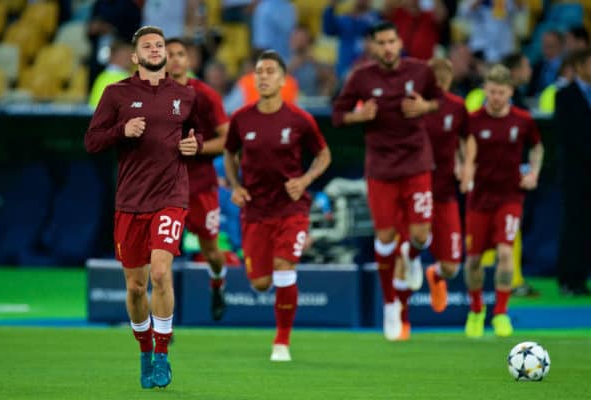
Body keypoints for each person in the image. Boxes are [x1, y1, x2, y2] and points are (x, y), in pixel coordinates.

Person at [85, 26, 202, 389]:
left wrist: (192, 147)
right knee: (136, 288)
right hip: (131, 201)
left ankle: (163, 353)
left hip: (170, 197)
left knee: (162, 273)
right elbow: (91, 142)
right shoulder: (116, 93)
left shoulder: (186, 95)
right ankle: (144, 351)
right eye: (147, 46)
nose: (155, 49)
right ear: (135, 57)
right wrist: (122, 130)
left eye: (159, 45)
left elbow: (192, 137)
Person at [332, 22, 443, 341]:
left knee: (420, 235)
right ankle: (391, 306)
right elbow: (338, 115)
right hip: (380, 168)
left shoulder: (421, 71)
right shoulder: (361, 77)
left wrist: (425, 107)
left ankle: (412, 257)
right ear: (373, 47)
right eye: (381, 43)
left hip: (416, 163)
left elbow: (440, 101)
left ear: (400, 41)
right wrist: (359, 116)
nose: (388, 47)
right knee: (385, 238)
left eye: (392, 41)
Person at [224, 50, 331, 361]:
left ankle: (281, 342)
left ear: (283, 80)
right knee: (259, 283)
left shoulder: (300, 119)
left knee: (284, 267)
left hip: (291, 208)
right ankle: (283, 262)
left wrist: (305, 180)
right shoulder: (242, 119)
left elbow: (324, 155)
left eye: (270, 71)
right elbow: (230, 154)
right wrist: (235, 185)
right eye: (259, 71)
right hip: (255, 211)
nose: (264, 76)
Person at [460, 64, 544, 338]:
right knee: (473, 260)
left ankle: (501, 313)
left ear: (510, 91)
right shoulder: (472, 119)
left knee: (506, 253)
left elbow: (538, 147)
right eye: (492, 91)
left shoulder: (523, 119)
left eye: (501, 92)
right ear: (485, 89)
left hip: (509, 196)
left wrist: (533, 173)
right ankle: (475, 310)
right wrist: (462, 169)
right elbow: (460, 150)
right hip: (479, 198)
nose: (496, 97)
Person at [392, 57, 468, 339]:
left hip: (445, 194)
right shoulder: (410, 107)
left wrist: (467, 165)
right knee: (404, 254)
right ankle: (402, 320)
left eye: (445, 80)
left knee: (451, 267)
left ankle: (435, 275)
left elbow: (466, 139)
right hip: (413, 192)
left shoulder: (458, 107)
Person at [166, 37, 229, 320]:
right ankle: (164, 318)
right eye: (169, 54)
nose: (176, 59)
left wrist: (199, 147)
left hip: (201, 186)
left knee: (211, 252)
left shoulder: (205, 95)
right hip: (165, 188)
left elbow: (228, 139)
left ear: (189, 60)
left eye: (181, 54)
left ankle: (218, 284)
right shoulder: (150, 96)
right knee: (161, 254)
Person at [555, 48, 591, 296]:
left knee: (587, 227)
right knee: (573, 226)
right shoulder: (565, 95)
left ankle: (582, 278)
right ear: (579, 66)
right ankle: (568, 279)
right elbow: (567, 136)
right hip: (575, 173)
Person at [88, 39, 132, 108]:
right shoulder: (123, 78)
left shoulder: (101, 77)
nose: (131, 59)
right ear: (115, 55)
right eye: (127, 54)